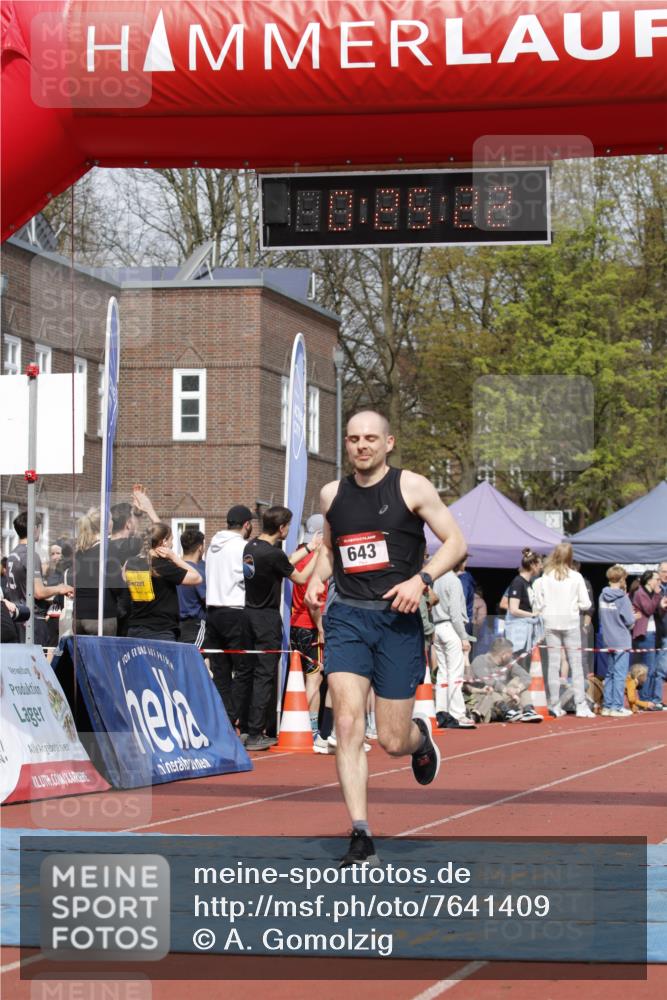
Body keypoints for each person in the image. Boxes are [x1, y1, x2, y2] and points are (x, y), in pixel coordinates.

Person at [305, 410, 466, 868]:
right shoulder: (332, 493)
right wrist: (319, 578)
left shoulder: (412, 487)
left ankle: (421, 740)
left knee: (393, 739)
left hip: (397, 621)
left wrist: (423, 578)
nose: (361, 446)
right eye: (353, 438)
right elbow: (330, 549)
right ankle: (360, 833)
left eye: (370, 438)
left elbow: (456, 542)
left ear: (388, 442)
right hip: (348, 618)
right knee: (349, 725)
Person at [237, 506, 319, 751]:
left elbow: (283, 564)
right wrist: (319, 554)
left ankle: (243, 727)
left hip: (248, 614)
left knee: (247, 673)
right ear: (282, 528)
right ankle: (255, 732)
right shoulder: (273, 555)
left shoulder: (251, 547)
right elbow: (301, 577)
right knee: (264, 675)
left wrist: (308, 548)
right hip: (266, 619)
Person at [205, 504, 255, 726]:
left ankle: (223, 714)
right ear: (246, 525)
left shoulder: (212, 546)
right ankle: (233, 715)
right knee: (244, 667)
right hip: (235, 609)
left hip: (213, 611)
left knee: (220, 669)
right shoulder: (244, 548)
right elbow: (251, 577)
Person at [532, 542, 593, 718]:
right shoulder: (576, 577)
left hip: (551, 622)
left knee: (553, 664)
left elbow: (539, 603)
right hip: (570, 622)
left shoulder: (545, 577)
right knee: (576, 664)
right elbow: (586, 603)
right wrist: (575, 606)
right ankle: (581, 704)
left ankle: (555, 704)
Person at [4, 511, 72, 645]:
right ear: (34, 529)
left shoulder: (12, 555)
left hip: (17, 617)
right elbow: (38, 592)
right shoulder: (31, 555)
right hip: (32, 620)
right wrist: (60, 588)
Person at [124, 522, 202, 640]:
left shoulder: (131, 563)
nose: (172, 544)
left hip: (136, 629)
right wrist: (174, 558)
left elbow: (124, 576)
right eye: (171, 540)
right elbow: (197, 577)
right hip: (160, 631)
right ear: (164, 542)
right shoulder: (163, 566)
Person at [290, 513, 326, 735]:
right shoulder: (319, 562)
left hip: (294, 624)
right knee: (314, 678)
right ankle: (311, 729)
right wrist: (321, 628)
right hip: (310, 625)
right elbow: (312, 602)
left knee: (298, 677)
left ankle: (299, 724)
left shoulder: (298, 554)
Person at [431, 561, 475, 729]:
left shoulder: (437, 579)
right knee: (455, 673)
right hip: (451, 627)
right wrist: (463, 636)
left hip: (438, 626)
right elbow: (456, 613)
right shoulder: (454, 581)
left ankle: (441, 711)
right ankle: (457, 713)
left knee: (443, 672)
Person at [73, 509, 119, 635]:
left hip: (79, 615)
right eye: (110, 519)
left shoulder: (80, 551)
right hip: (100, 617)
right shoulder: (108, 548)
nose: (113, 522)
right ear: (105, 524)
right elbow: (116, 585)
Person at [598, 565, 635, 718]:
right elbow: (629, 620)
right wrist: (634, 618)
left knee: (610, 674)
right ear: (621, 579)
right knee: (619, 674)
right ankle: (617, 706)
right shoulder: (622, 598)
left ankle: (607, 706)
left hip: (608, 638)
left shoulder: (602, 596)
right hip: (621, 639)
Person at [631, 569, 667, 706]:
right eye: (656, 579)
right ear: (649, 580)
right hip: (645, 634)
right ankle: (645, 699)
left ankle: (652, 698)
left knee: (653, 669)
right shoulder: (640, 593)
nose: (659, 582)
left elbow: (658, 612)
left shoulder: (653, 594)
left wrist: (662, 606)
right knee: (646, 668)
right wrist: (658, 597)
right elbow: (648, 609)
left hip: (655, 633)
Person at [503, 549, 541, 658]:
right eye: (539, 564)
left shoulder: (528, 583)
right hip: (517, 632)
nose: (541, 567)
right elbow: (513, 609)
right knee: (516, 662)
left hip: (525, 631)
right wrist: (533, 615)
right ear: (533, 565)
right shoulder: (518, 582)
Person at [177, 528, 207, 645]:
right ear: (200, 547)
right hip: (196, 626)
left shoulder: (173, 568)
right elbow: (207, 601)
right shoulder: (199, 572)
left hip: (176, 626)